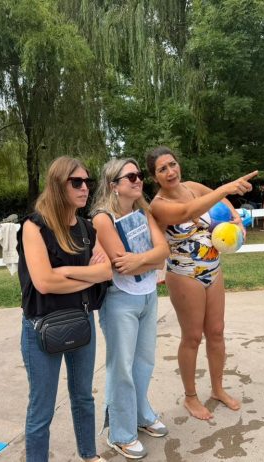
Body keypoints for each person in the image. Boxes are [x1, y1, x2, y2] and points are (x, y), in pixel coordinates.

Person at [146, 146, 257, 421]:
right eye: (162, 169)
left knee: (216, 332)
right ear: (155, 177)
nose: (170, 172)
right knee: (193, 337)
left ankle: (218, 389)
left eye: (172, 164)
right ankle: (190, 397)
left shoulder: (193, 187)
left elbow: (220, 202)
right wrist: (225, 188)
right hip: (184, 275)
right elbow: (187, 211)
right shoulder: (158, 205)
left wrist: (236, 220)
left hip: (213, 269)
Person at [17, 156, 112, 462]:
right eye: (76, 182)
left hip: (81, 319)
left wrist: (68, 273)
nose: (85, 188)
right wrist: (88, 276)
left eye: (87, 181)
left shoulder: (86, 228)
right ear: (58, 185)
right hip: (42, 325)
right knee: (41, 408)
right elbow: (44, 283)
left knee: (83, 396)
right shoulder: (34, 226)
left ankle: (89, 454)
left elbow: (106, 271)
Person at [91, 158, 170, 459]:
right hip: (119, 299)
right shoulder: (103, 219)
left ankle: (141, 414)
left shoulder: (143, 212)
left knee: (144, 361)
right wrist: (150, 260)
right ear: (114, 185)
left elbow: (164, 252)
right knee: (121, 366)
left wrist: (141, 259)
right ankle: (121, 433)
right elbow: (122, 265)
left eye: (139, 176)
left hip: (148, 295)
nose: (138, 180)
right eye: (131, 176)